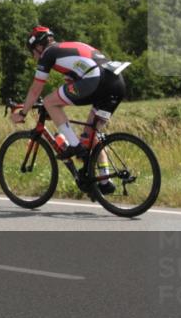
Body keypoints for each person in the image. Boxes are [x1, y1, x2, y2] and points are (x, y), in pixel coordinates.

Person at [10, 26, 130, 195]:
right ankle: (104, 181)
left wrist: (23, 113)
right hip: (116, 83)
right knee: (91, 134)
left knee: (49, 101)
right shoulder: (68, 50)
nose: (34, 57)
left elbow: (36, 89)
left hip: (96, 80)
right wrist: (54, 111)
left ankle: (74, 146)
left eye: (32, 52)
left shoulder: (48, 54)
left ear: (39, 46)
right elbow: (70, 90)